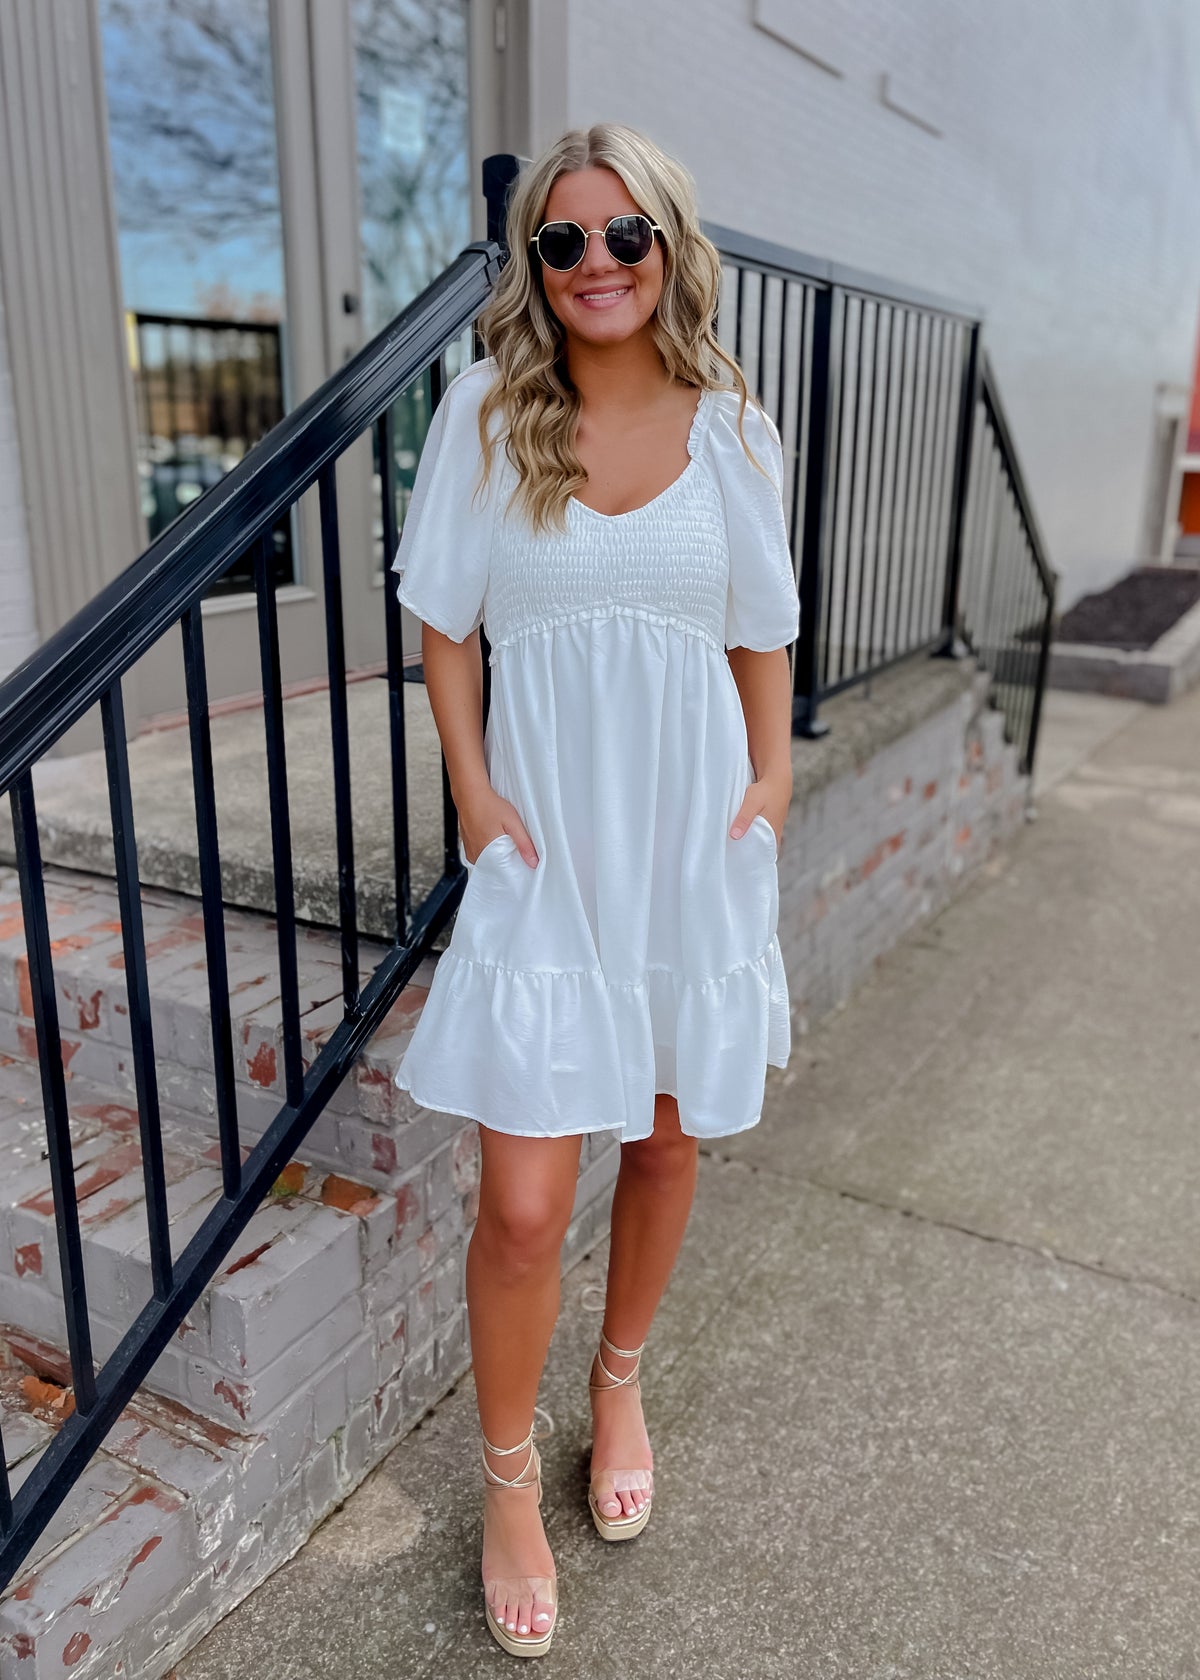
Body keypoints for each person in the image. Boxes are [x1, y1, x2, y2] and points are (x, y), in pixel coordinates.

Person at [390, 121, 799, 1658]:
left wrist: (772, 781)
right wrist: (473, 790)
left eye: (627, 235)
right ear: (535, 263)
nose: (597, 263)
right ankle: (508, 1484)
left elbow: (761, 632)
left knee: (670, 1139)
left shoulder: (736, 430)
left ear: (670, 250)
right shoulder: (486, 413)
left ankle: (617, 1385)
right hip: (548, 849)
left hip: (692, 836)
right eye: (563, 240)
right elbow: (445, 627)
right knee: (521, 1203)